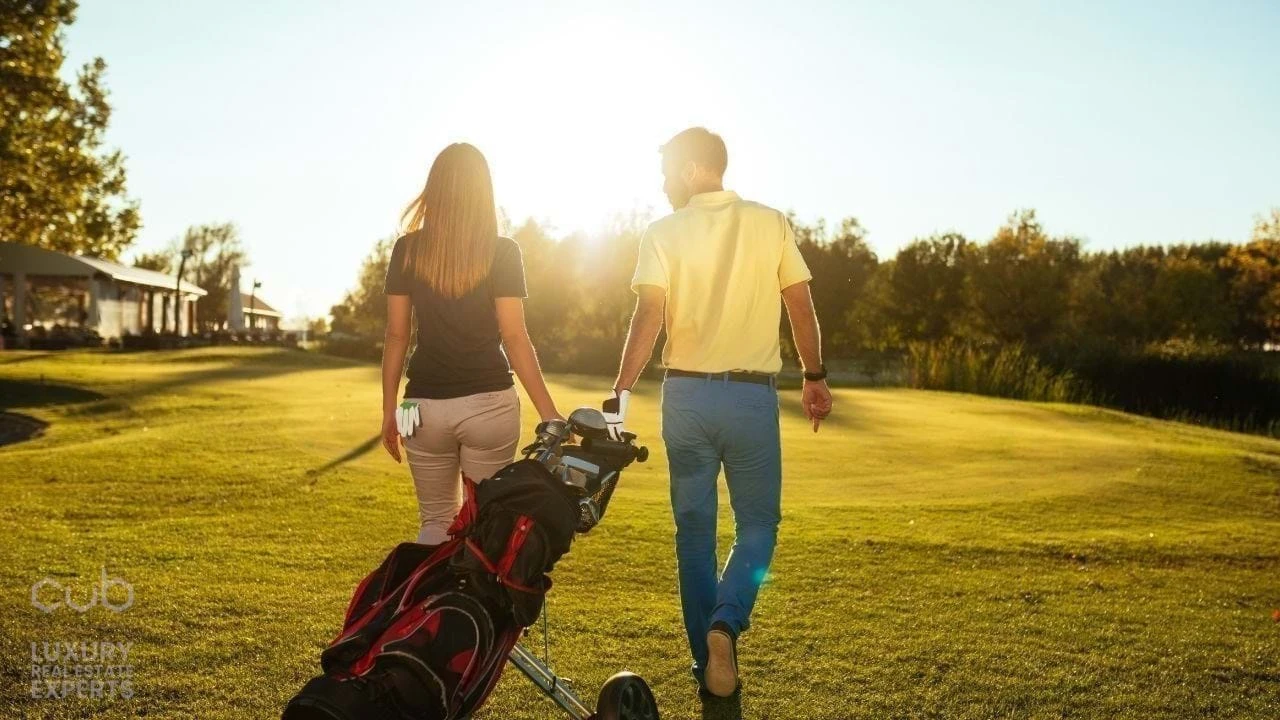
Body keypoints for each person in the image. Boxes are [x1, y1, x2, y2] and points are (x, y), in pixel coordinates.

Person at [604, 127, 833, 698]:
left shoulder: (662, 232)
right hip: (751, 398)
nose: (660, 184)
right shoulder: (770, 221)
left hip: (685, 399)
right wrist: (815, 377)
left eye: (665, 171)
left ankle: (707, 662)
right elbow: (800, 303)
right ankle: (725, 625)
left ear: (690, 170)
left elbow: (648, 317)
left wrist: (621, 388)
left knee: (694, 537)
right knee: (758, 525)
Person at [381, 143, 562, 545]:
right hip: (489, 405)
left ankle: (434, 608)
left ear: (435, 188)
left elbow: (396, 336)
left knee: (433, 523)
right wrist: (550, 414)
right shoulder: (503, 251)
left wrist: (389, 412)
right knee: (483, 529)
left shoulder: (406, 249)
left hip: (415, 408)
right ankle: (474, 607)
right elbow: (515, 337)